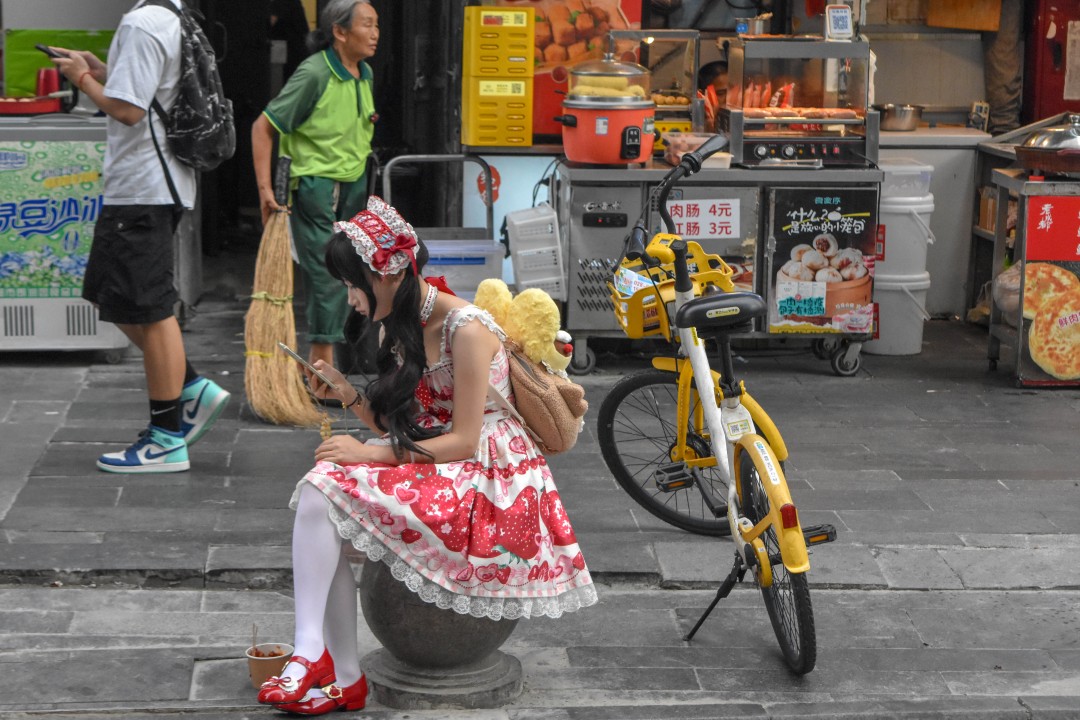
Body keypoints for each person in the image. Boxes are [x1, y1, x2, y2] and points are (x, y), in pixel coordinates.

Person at [255, 197, 597, 715]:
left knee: (325, 486)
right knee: (321, 490)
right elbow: (407, 424)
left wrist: (370, 452)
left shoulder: (469, 329)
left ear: (386, 275)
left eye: (352, 284)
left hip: (492, 478)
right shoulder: (402, 322)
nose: (350, 298)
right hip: (441, 461)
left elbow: (462, 439)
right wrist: (347, 393)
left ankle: (319, 659)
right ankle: (335, 669)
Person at [48, 0, 230, 474]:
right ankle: (190, 388)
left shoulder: (143, 21)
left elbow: (129, 110)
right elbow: (149, 92)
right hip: (151, 185)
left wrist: (81, 80)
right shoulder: (169, 15)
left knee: (149, 308)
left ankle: (167, 437)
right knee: (111, 293)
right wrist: (101, 69)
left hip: (143, 187)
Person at [252, 0, 379, 373]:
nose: (374, 33)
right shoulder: (314, 74)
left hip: (352, 183)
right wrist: (265, 191)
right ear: (339, 32)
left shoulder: (364, 72)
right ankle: (319, 372)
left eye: (377, 25)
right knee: (327, 273)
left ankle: (334, 364)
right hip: (315, 186)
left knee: (351, 270)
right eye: (366, 25)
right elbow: (263, 127)